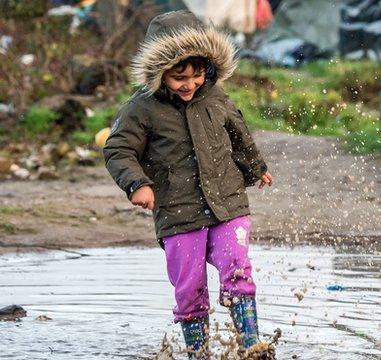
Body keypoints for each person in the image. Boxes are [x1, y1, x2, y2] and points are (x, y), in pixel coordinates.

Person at [103, 10, 274, 359]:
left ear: (208, 68)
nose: (189, 84)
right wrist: (137, 184)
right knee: (190, 288)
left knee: (238, 269)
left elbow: (238, 134)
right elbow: (118, 148)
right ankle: (199, 353)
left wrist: (256, 168)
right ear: (158, 72)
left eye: (197, 75)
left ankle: (252, 344)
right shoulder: (141, 109)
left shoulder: (216, 97)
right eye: (179, 77)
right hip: (178, 214)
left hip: (227, 204)